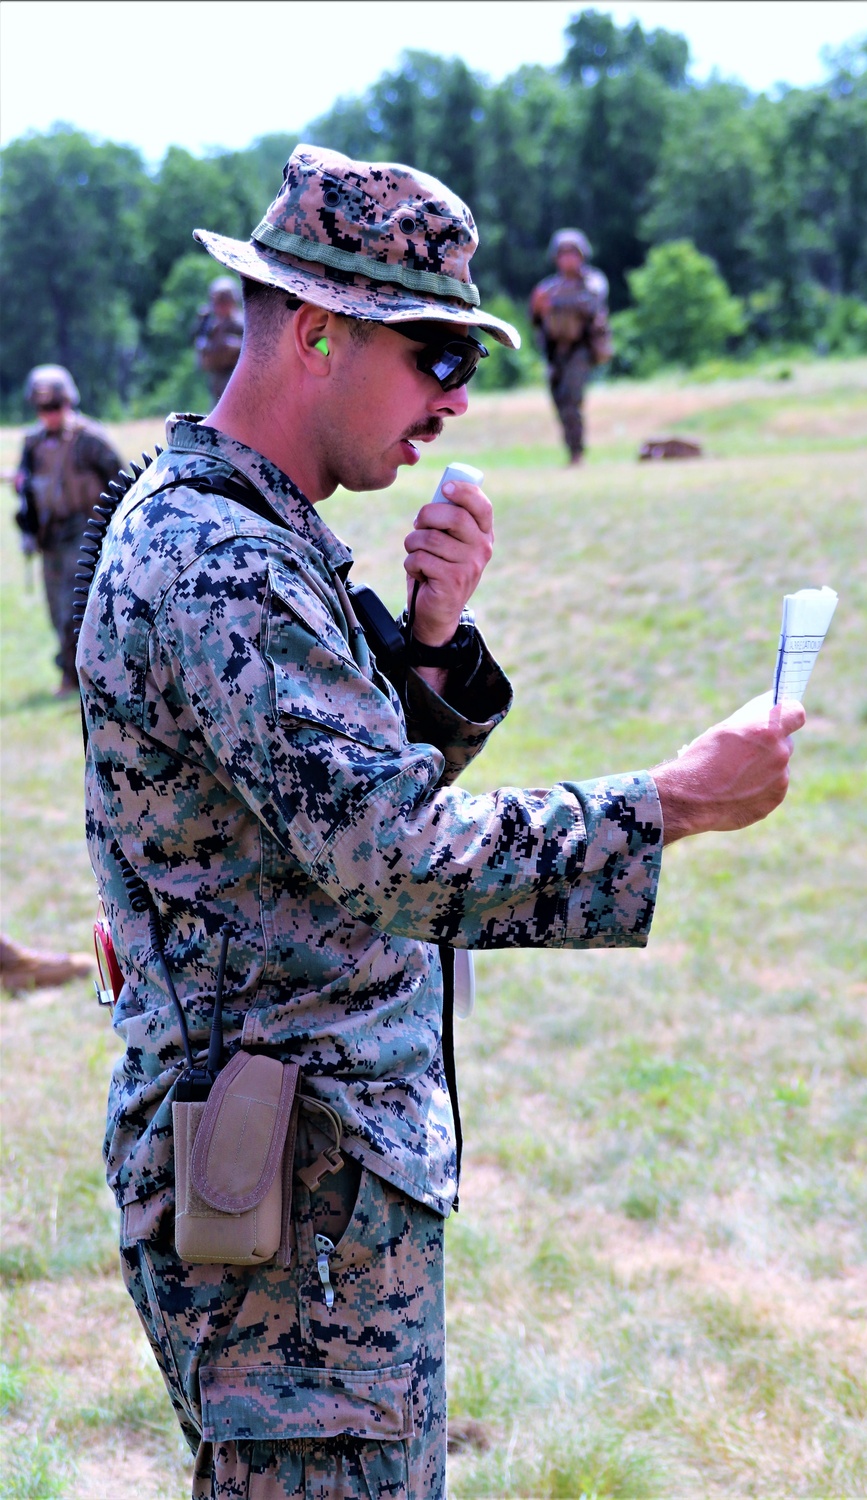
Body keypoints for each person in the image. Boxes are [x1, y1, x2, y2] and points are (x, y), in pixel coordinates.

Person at [76, 144, 804, 1499]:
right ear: (314, 331)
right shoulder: (224, 564)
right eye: (434, 358)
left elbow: (312, 801)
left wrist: (423, 643)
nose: (451, 405)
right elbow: (392, 854)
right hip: (288, 1200)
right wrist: (668, 805)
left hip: (307, 1177)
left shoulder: (255, 538)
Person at [14, 366, 122, 696]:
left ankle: (82, 674)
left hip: (86, 530)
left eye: (54, 407)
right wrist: (28, 531)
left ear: (68, 402)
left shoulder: (89, 439)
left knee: (72, 608)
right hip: (51, 536)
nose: (48, 415)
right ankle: (72, 672)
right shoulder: (32, 445)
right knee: (54, 609)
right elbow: (26, 490)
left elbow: (121, 480)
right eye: (42, 409)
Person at [530, 229, 612, 465]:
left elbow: (591, 303)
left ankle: (577, 453)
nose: (568, 259)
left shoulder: (592, 282)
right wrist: (539, 307)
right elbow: (536, 317)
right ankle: (572, 450)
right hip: (556, 352)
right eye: (563, 254)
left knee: (571, 399)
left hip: (580, 349)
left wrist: (553, 303)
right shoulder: (549, 286)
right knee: (559, 401)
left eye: (572, 253)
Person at [193, 275, 244, 400]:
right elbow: (201, 360)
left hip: (241, 382)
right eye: (218, 302)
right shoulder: (210, 326)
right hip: (217, 385)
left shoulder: (243, 324)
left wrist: (233, 345)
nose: (221, 306)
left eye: (225, 301)